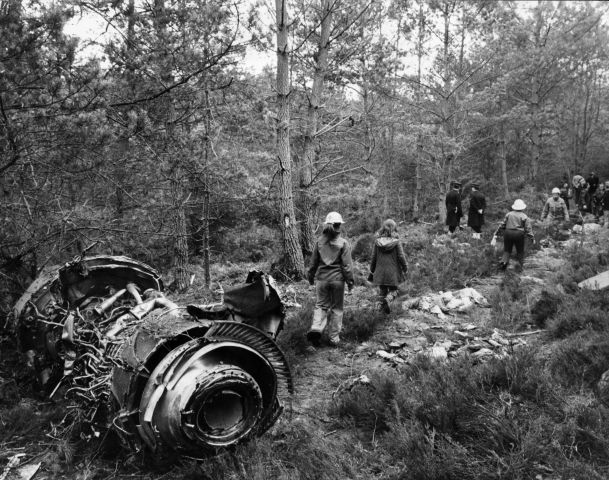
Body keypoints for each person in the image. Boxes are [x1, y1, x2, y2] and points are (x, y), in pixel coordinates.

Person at [307, 211, 354, 348]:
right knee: (337, 308)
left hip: (321, 279)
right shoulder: (343, 243)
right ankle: (334, 338)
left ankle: (316, 328)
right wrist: (350, 282)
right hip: (338, 280)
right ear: (339, 226)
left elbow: (313, 263)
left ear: (326, 225)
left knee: (321, 305)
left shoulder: (319, 242)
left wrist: (310, 277)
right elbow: (347, 266)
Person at [369, 219, 407, 313]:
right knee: (394, 290)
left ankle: (379, 311)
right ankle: (387, 302)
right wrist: (405, 267)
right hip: (393, 272)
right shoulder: (396, 242)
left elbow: (373, 257)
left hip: (380, 271)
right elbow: (401, 256)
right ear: (394, 228)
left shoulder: (377, 242)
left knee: (382, 290)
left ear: (383, 228)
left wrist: (372, 269)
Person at [491, 199, 535, 272]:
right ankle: (520, 267)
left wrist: (496, 233)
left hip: (508, 233)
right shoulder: (524, 216)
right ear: (522, 207)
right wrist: (532, 238)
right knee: (520, 251)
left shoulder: (509, 214)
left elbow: (502, 225)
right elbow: (528, 229)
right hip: (519, 234)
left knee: (507, 250)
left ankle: (503, 264)